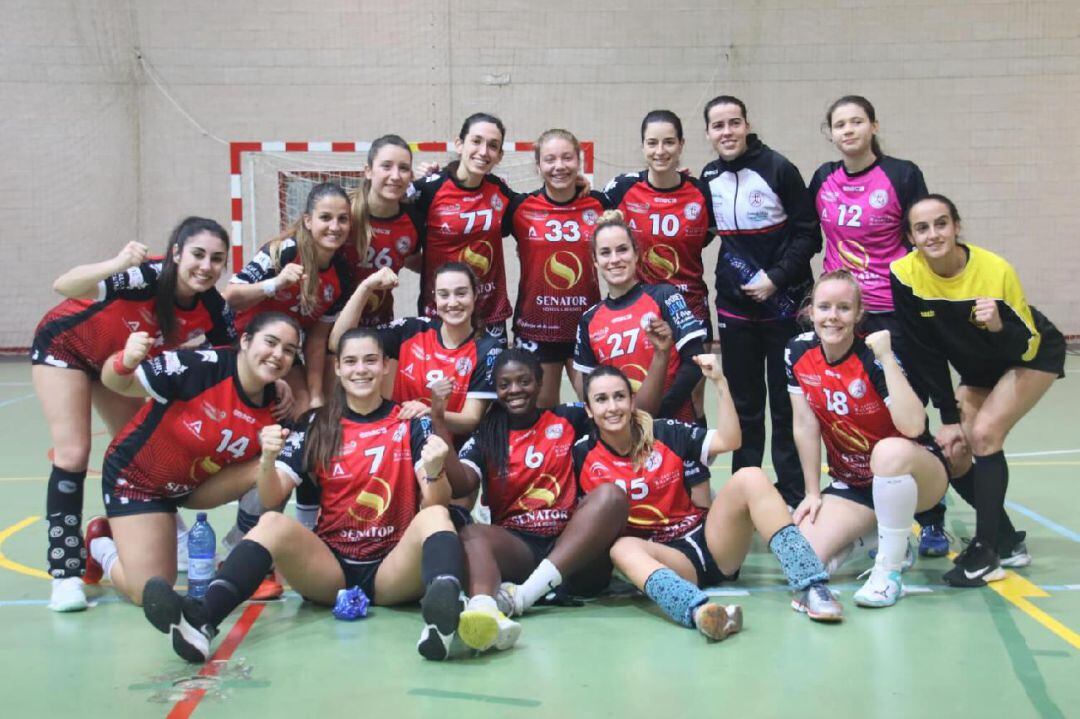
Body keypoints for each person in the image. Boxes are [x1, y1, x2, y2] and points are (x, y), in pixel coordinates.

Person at [140, 328, 470, 662]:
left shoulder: (411, 421)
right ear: (338, 369)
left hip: (393, 569)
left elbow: (436, 500)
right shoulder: (316, 424)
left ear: (386, 366)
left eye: (370, 361)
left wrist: (434, 468)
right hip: (331, 570)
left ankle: (440, 622)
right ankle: (200, 621)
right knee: (271, 522)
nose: (361, 370)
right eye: (351, 362)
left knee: (436, 516)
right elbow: (271, 498)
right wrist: (267, 462)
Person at [31, 216, 237, 612]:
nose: (206, 266)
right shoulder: (145, 277)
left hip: (118, 364)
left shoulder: (212, 305)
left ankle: (123, 540)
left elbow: (234, 362)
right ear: (176, 253)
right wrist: (116, 264)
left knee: (142, 456)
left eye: (216, 259)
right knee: (73, 454)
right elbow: (65, 285)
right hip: (66, 348)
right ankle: (65, 574)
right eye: (197, 254)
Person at [577, 360, 842, 639]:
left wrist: (719, 382)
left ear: (632, 402)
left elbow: (730, 440)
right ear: (589, 410)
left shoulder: (663, 432)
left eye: (619, 396)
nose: (612, 407)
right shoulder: (582, 455)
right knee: (622, 548)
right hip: (668, 559)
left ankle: (812, 586)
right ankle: (702, 613)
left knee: (751, 476)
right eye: (601, 399)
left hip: (709, 541)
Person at [890, 194, 1066, 586]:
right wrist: (949, 419)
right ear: (911, 237)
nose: (933, 234)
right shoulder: (905, 274)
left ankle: (986, 552)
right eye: (922, 228)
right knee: (953, 451)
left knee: (985, 434)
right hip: (976, 366)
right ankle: (1005, 540)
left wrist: (998, 327)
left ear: (956, 227)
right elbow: (925, 352)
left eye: (941, 223)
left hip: (1028, 354)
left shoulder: (994, 270)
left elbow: (1028, 342)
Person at [78, 312, 301, 605]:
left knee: (273, 467)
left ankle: (241, 560)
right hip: (138, 480)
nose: (277, 355)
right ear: (245, 341)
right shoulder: (200, 367)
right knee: (149, 591)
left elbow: (272, 489)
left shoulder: (277, 405)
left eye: (288, 350)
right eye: (270, 342)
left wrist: (271, 457)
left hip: (196, 488)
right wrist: (126, 360)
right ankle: (99, 545)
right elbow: (117, 382)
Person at [808, 95, 947, 556]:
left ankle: (931, 518)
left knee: (906, 416)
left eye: (857, 121)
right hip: (840, 313)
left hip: (891, 310)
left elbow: (919, 234)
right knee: (845, 407)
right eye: (839, 124)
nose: (848, 130)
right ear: (830, 133)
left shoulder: (902, 174)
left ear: (873, 126)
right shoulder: (823, 179)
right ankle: (857, 505)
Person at [445, 349, 635, 652]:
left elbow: (630, 416)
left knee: (612, 496)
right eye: (505, 384)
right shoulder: (487, 435)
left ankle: (519, 599)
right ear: (495, 389)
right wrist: (439, 424)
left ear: (540, 382)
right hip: (520, 551)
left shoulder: (569, 418)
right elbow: (462, 483)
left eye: (524, 381)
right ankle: (483, 610)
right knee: (471, 532)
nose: (515, 390)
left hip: (575, 552)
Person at [788, 270, 948, 607]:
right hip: (855, 485)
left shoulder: (873, 356)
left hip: (916, 476)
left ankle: (889, 572)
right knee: (801, 557)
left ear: (859, 314)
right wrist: (812, 492)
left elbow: (915, 425)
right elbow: (804, 424)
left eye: (844, 308)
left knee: (887, 452)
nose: (833, 317)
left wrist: (887, 357)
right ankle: (884, 538)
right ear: (811, 311)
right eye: (824, 307)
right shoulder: (797, 354)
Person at [700, 95, 820, 507]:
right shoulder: (709, 174)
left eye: (734, 123)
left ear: (747, 125)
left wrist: (776, 278)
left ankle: (791, 492)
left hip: (783, 306)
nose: (727, 132)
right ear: (708, 134)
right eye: (718, 126)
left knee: (787, 402)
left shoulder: (778, 168)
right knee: (745, 404)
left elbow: (809, 233)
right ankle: (746, 489)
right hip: (736, 309)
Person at [225, 181, 353, 414]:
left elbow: (316, 339)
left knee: (303, 407)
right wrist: (276, 284)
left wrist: (316, 395)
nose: (334, 226)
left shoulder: (342, 275)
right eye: (325, 217)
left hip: (282, 350)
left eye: (342, 219)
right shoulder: (283, 250)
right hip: (237, 340)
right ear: (307, 221)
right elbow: (231, 296)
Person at [331, 263, 500, 437]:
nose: (452, 302)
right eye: (444, 295)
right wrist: (366, 287)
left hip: (449, 452)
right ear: (435, 298)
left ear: (475, 295)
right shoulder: (412, 329)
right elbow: (339, 343)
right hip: (397, 442)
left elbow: (470, 420)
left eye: (461, 293)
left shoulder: (487, 348)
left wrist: (429, 412)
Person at [572, 210, 706, 422]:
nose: (615, 259)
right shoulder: (589, 320)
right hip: (624, 433)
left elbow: (695, 361)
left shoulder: (664, 296)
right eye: (605, 253)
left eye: (622, 250)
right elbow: (591, 385)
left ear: (636, 254)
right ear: (595, 261)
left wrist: (653, 416)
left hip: (673, 426)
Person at [504, 129, 604, 407]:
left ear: (579, 161)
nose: (559, 166)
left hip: (586, 327)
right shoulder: (520, 208)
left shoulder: (600, 204)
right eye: (550, 159)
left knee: (600, 407)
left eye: (566, 158)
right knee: (543, 417)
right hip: (538, 328)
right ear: (538, 166)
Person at [411, 113, 514, 341]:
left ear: (499, 156)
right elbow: (399, 235)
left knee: (491, 377)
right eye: (476, 141)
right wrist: (431, 266)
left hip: (490, 314)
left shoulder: (500, 191)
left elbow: (538, 208)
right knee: (446, 378)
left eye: (493, 146)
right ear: (459, 144)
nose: (483, 151)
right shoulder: (428, 189)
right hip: (442, 311)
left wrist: (576, 186)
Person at [342, 134, 423, 329]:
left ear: (411, 175)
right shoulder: (344, 213)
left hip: (379, 323)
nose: (395, 176)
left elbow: (410, 258)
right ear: (368, 171)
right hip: (332, 322)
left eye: (403, 168)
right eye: (386, 166)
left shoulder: (413, 219)